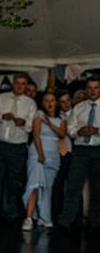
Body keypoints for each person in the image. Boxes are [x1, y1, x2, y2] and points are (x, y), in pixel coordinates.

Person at [0, 73, 37, 221]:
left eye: (23, 84)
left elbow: (31, 126)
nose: (20, 86)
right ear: (13, 84)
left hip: (17, 146)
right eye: (17, 83)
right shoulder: (1, 98)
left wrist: (24, 123)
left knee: (12, 182)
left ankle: (9, 212)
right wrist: (1, 117)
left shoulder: (30, 103)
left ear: (26, 86)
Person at [56, 77, 100, 232]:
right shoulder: (79, 107)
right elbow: (71, 129)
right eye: (90, 87)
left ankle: (95, 221)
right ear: (86, 89)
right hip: (80, 150)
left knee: (97, 188)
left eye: (96, 87)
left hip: (98, 149)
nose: (93, 91)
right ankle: (66, 221)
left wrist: (97, 131)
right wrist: (79, 132)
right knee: (73, 185)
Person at [22, 93, 66, 230]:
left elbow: (62, 133)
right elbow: (35, 135)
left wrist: (49, 123)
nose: (49, 103)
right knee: (34, 183)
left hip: (53, 155)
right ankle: (28, 218)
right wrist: (41, 154)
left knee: (47, 187)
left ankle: (44, 217)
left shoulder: (61, 117)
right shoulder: (39, 115)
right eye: (46, 100)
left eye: (52, 100)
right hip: (38, 153)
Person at [52, 91, 73, 223]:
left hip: (73, 153)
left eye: (67, 100)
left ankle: (73, 218)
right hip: (58, 153)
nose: (66, 104)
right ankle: (55, 216)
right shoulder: (56, 116)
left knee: (72, 187)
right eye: (62, 102)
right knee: (57, 185)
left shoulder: (77, 113)